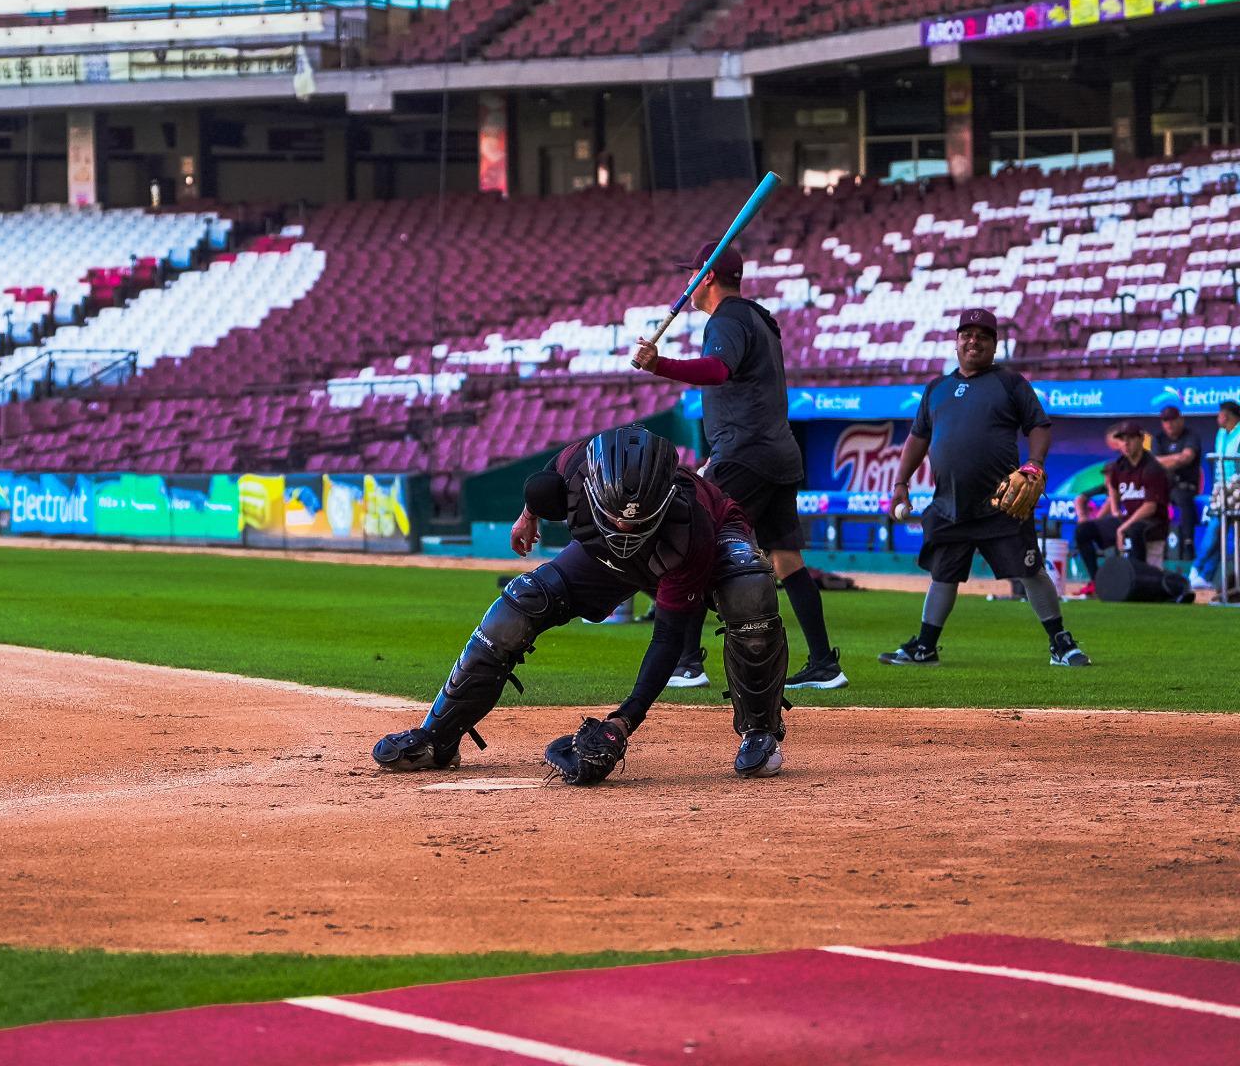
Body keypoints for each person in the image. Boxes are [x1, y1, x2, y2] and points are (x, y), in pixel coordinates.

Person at [372, 424, 791, 780]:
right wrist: (528, 516)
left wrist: (623, 721)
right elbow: (544, 482)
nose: (625, 525)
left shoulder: (691, 529)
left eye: (637, 516)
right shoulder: (575, 467)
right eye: (616, 515)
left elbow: (670, 639)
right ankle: (438, 739)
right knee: (519, 604)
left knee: (747, 589)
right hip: (604, 557)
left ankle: (761, 732)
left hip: (701, 542)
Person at [631, 239, 845, 693]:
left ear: (707, 277)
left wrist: (659, 364)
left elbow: (717, 371)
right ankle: (825, 662)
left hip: (748, 453)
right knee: (787, 558)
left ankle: (687, 662)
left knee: (687, 541)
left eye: (693, 272)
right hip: (774, 452)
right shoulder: (756, 318)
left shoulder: (727, 319)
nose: (688, 281)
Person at [880, 308, 1089, 668]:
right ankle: (925, 647)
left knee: (1030, 570)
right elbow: (918, 438)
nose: (973, 340)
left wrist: (1035, 463)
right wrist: (901, 482)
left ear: (994, 345)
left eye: (983, 336)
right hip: (950, 503)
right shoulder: (937, 389)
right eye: (967, 334)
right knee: (942, 575)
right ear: (957, 341)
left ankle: (1060, 642)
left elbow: (1039, 425)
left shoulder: (1009, 383)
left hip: (1001, 504)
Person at [1073, 421, 1171, 593]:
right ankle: (1097, 582)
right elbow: (1113, 488)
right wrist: (1116, 510)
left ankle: (1137, 584)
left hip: (1153, 523)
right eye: (1122, 439)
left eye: (1131, 439)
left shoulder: (1152, 467)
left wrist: (1122, 527)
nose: (1126, 443)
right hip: (1129, 519)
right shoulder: (1120, 466)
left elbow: (1150, 507)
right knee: (1083, 531)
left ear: (1141, 439)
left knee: (1134, 529)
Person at [1189, 400, 1240, 590]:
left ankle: (1196, 568)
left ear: (1226, 415)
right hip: (1221, 490)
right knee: (1217, 531)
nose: (1217, 417)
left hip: (1237, 490)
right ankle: (1205, 575)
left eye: (1220, 414)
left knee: (1217, 529)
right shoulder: (1220, 434)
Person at [1151, 406, 1203, 558]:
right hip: (1164, 486)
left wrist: (1165, 461)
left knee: (1183, 498)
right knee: (1149, 501)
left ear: (1181, 419)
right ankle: (1154, 542)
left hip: (1186, 485)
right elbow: (1154, 462)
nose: (1169, 425)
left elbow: (1187, 458)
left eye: (1172, 420)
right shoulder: (1159, 438)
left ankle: (1188, 543)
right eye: (1165, 421)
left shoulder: (1191, 435)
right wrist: (1176, 458)